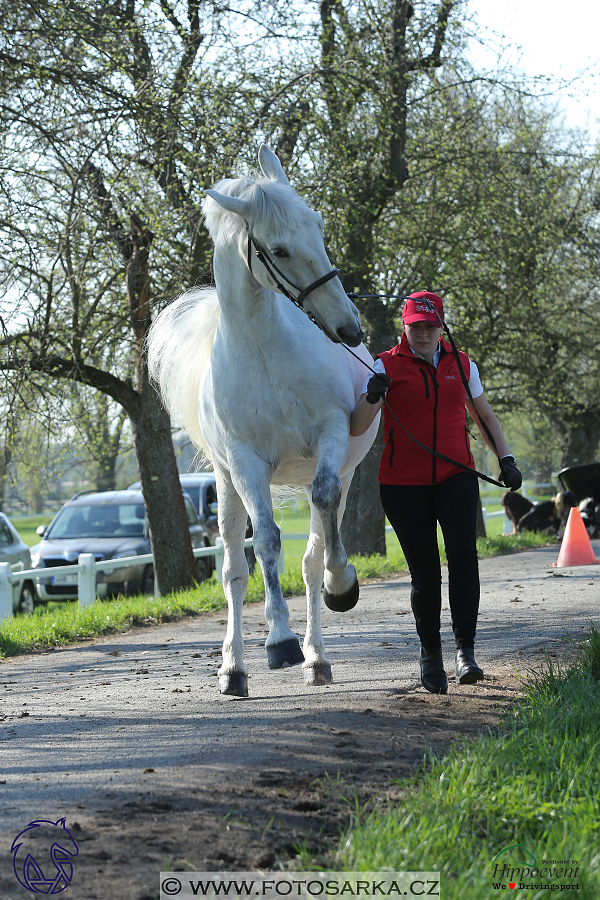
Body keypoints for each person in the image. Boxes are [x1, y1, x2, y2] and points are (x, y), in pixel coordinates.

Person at [350, 291, 522, 695]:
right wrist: (373, 394)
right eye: (415, 327)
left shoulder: (462, 365)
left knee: (464, 559)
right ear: (404, 327)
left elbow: (483, 414)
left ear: (441, 326)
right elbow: (357, 427)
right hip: (402, 485)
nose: (423, 334)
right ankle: (431, 656)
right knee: (425, 575)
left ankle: (466, 652)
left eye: (430, 326)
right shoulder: (383, 366)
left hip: (455, 476)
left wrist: (506, 458)